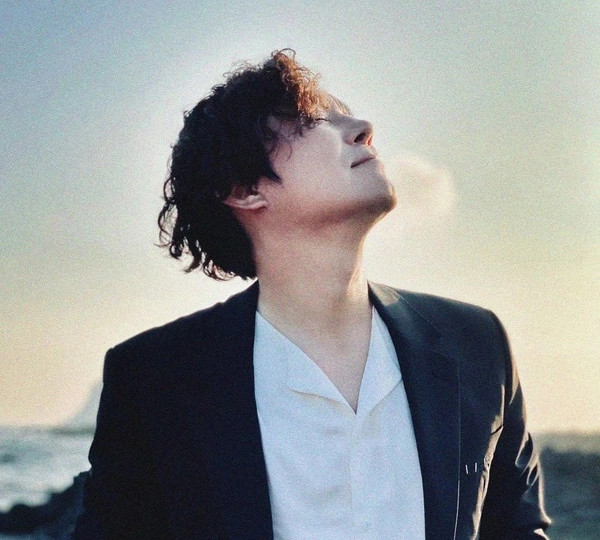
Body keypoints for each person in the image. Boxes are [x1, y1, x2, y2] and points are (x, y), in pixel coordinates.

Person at [73, 50, 551, 539]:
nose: (363, 128)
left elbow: (516, 527)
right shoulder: (156, 377)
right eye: (314, 120)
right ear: (244, 188)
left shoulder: (475, 342)